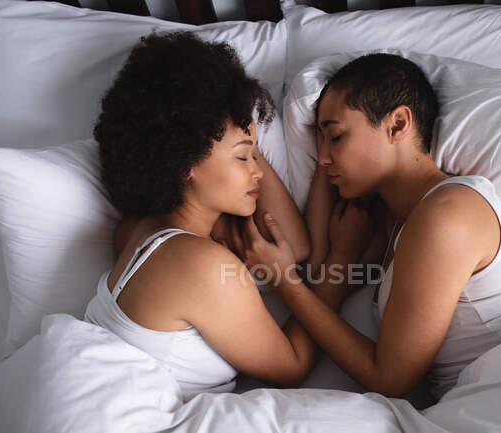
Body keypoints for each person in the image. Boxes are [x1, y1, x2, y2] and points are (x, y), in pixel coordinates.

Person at [241, 53, 501, 400]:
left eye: (335, 137)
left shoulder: (447, 215)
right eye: (319, 140)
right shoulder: (398, 220)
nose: (322, 158)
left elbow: (388, 379)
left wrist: (283, 281)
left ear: (397, 125)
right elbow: (318, 265)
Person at [83, 31, 335, 401]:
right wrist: (342, 265)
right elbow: (292, 366)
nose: (259, 172)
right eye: (243, 156)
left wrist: (238, 133)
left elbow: (294, 245)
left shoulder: (138, 229)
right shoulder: (199, 264)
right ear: (185, 161)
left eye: (255, 154)